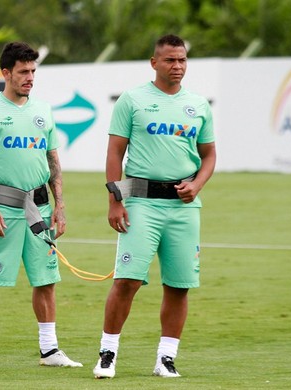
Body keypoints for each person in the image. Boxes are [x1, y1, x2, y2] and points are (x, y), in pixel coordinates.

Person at [91, 34, 217, 379]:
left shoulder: (198, 105)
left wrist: (198, 184)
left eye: (182, 60)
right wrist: (115, 201)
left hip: (183, 207)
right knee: (127, 281)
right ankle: (107, 353)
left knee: (179, 285)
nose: (177, 67)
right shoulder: (132, 100)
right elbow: (115, 153)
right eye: (170, 60)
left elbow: (209, 155)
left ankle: (166, 358)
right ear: (154, 63)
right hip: (141, 201)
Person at [0, 41, 82, 372]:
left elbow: (53, 160)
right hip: (4, 208)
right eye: (23, 72)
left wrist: (60, 206)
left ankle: (50, 350)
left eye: (33, 71)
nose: (30, 77)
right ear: (6, 73)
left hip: (41, 211)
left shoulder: (43, 110)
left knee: (46, 280)